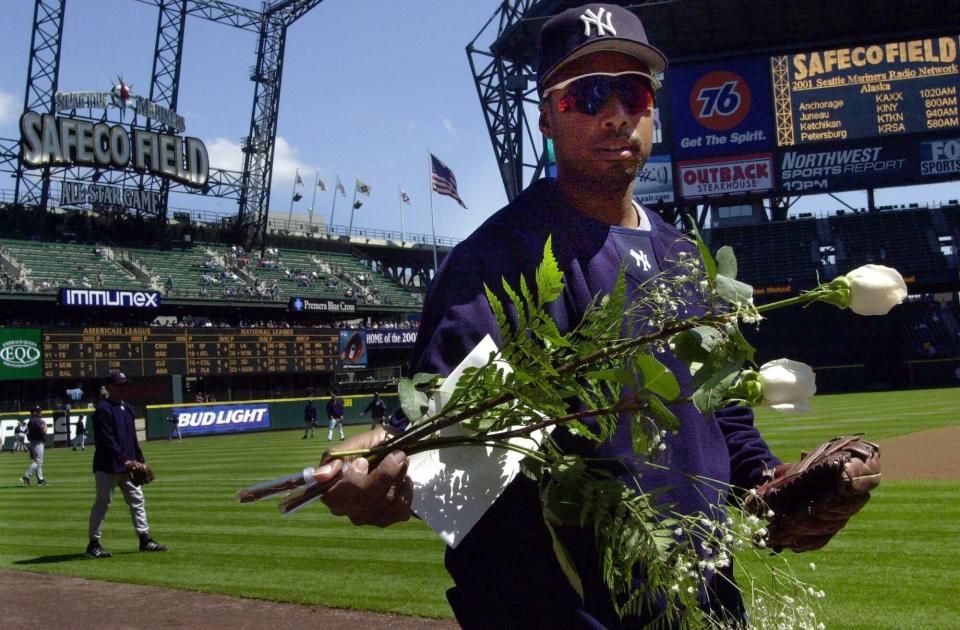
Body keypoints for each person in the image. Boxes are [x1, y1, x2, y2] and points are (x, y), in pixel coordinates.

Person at [307, 5, 879, 627]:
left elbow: (725, 421)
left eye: (632, 91)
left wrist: (772, 483)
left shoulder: (688, 259)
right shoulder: (495, 265)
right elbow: (453, 459)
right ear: (548, 115)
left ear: (653, 109)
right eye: (587, 94)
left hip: (705, 605)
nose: (615, 114)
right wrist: (396, 470)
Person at [86, 371, 167, 558]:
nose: (123, 388)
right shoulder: (103, 409)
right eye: (119, 385)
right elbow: (107, 440)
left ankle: (144, 539)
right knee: (103, 503)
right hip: (107, 466)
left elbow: (132, 439)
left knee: (138, 501)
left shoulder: (128, 408)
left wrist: (140, 461)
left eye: (124, 385)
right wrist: (125, 460)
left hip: (129, 467)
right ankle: (93, 544)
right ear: (109, 387)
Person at [20, 405, 47, 486]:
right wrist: (45, 426)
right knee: (38, 461)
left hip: (34, 442)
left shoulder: (32, 420)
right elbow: (43, 431)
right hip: (37, 442)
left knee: (38, 462)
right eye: (38, 411)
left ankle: (40, 479)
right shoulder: (35, 420)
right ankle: (26, 476)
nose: (40, 412)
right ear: (34, 412)